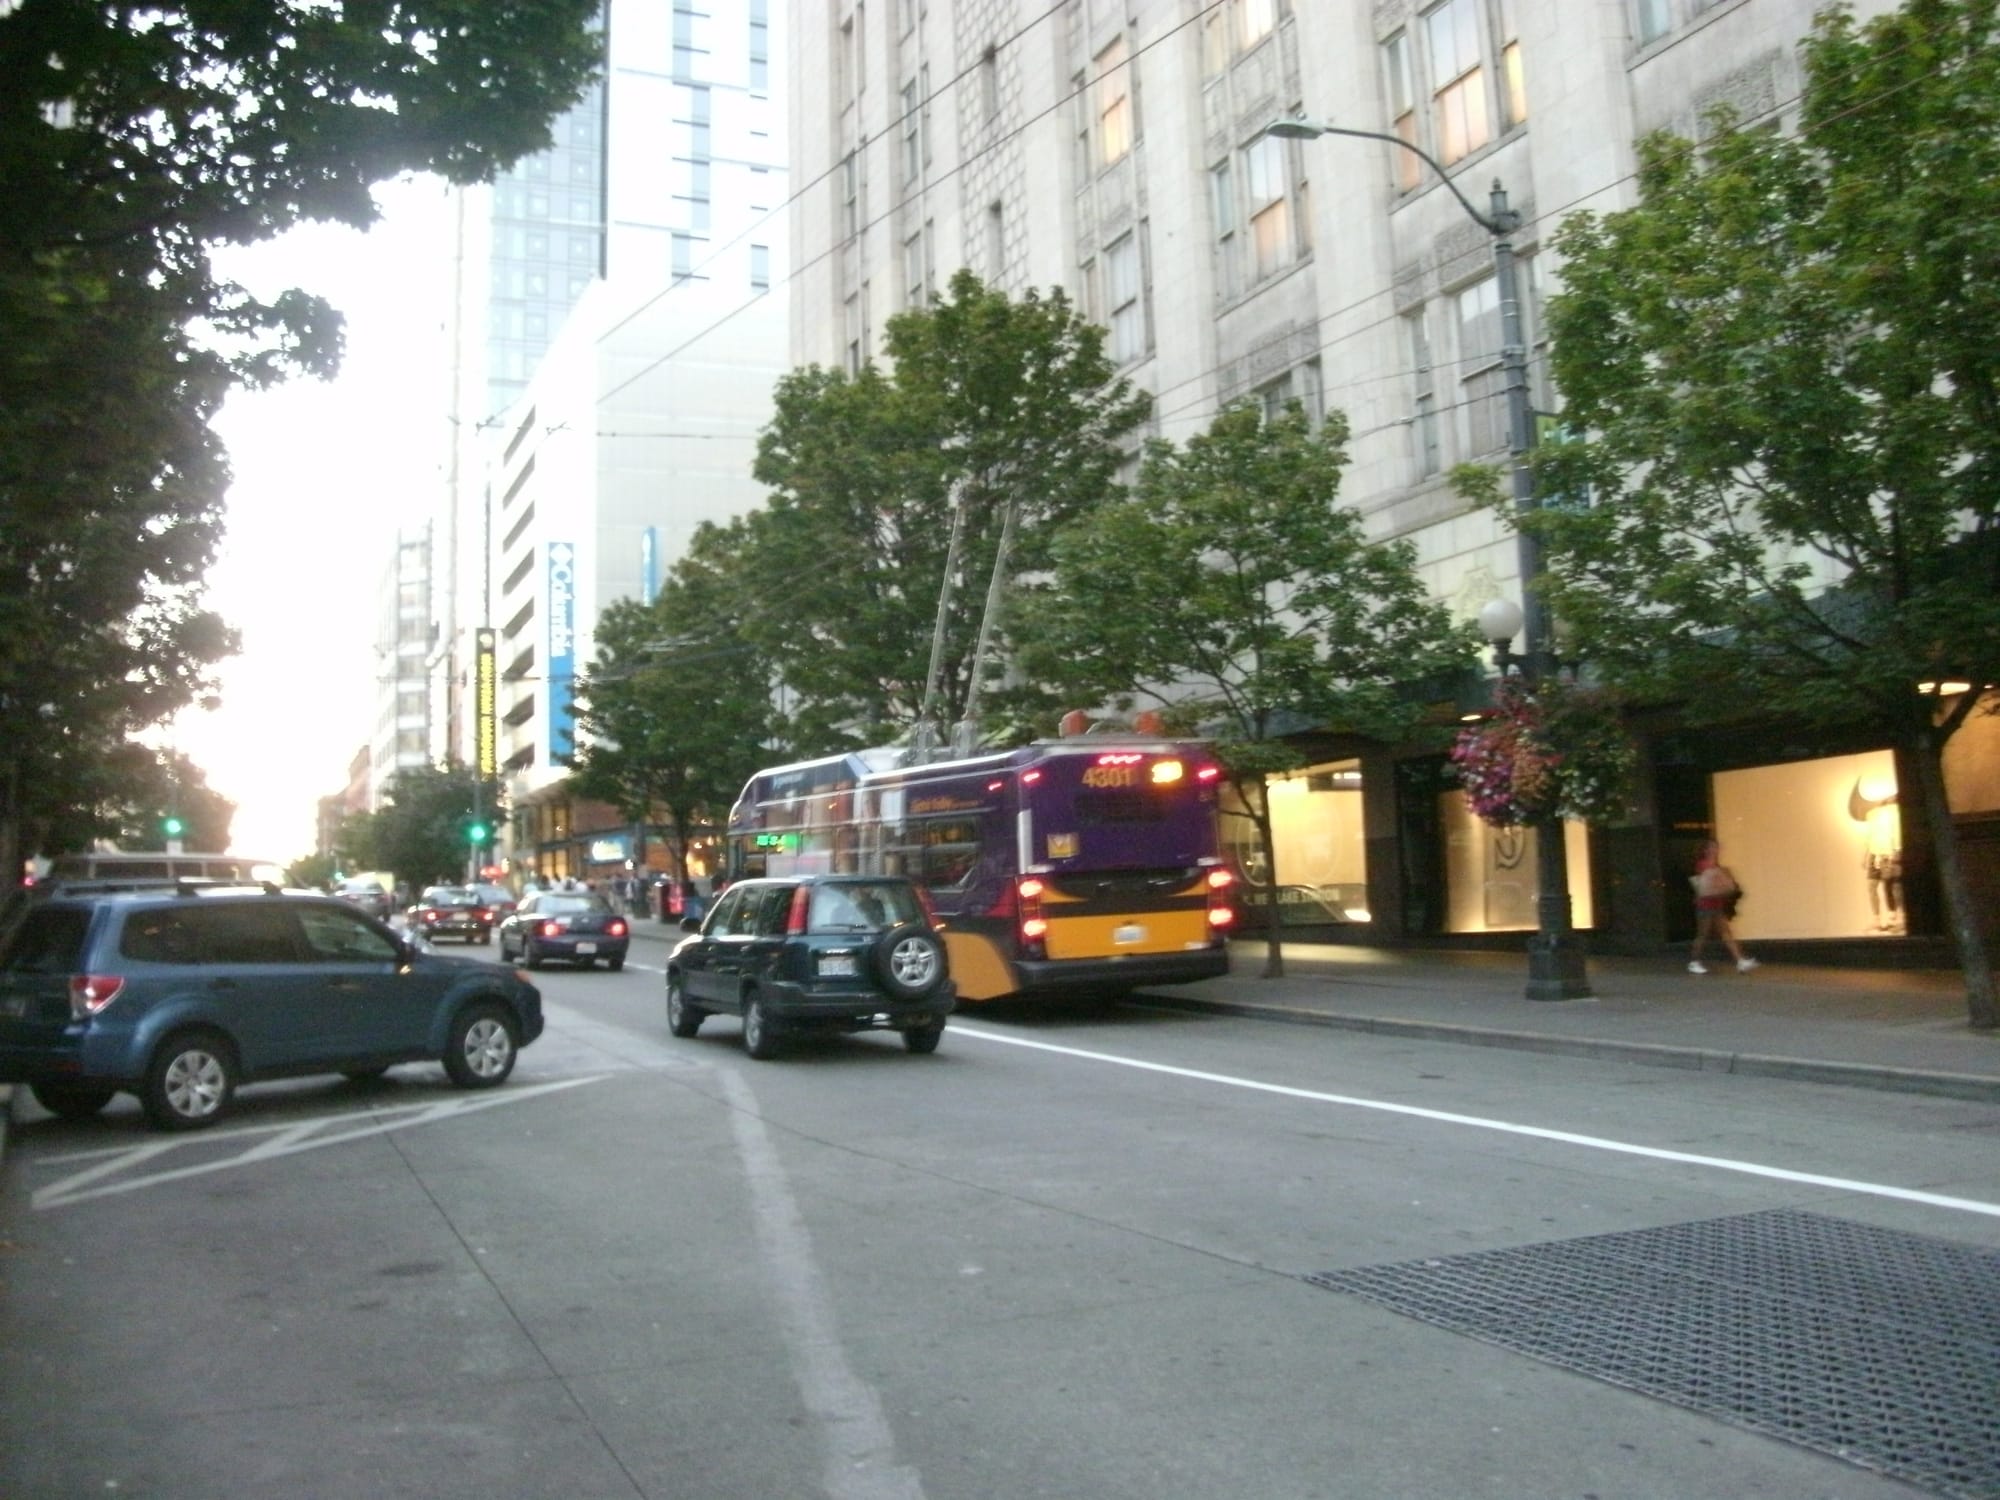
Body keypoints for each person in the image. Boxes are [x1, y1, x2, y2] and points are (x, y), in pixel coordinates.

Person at [1688, 838, 1757, 975]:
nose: (1716, 850)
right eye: (1713, 847)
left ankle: (1740, 961)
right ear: (1706, 850)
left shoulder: (1716, 866)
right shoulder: (1703, 865)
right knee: (1703, 934)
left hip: (1716, 905)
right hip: (1705, 906)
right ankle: (1694, 962)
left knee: (1726, 933)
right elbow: (1706, 885)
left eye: (1717, 847)